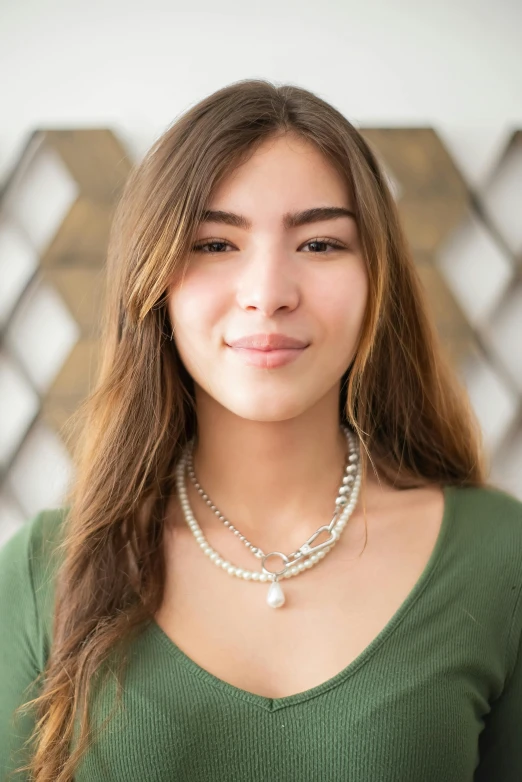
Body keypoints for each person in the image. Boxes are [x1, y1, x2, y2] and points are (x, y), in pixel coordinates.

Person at [0, 79, 521, 782]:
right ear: (152, 282)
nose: (269, 290)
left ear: (379, 280)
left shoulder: (499, 557)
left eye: (320, 243)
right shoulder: (43, 573)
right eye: (215, 243)